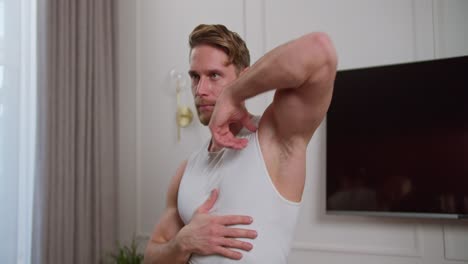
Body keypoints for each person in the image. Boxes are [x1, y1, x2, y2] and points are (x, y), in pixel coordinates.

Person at [144, 24, 337, 264]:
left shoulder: (275, 138)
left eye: (214, 75)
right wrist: (183, 242)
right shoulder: (186, 171)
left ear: (243, 77)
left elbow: (319, 50)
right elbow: (152, 257)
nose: (200, 90)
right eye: (195, 77)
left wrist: (233, 95)